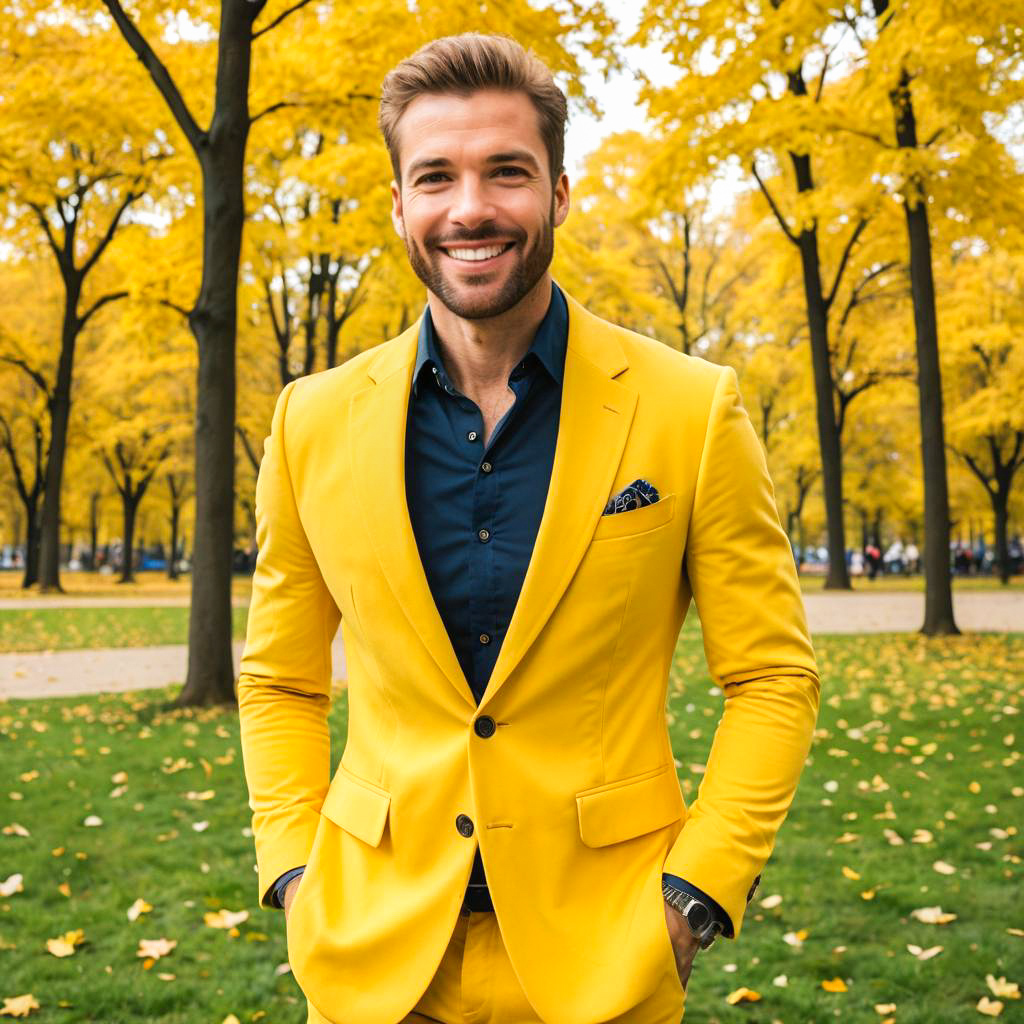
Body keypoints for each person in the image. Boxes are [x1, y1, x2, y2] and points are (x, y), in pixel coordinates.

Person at [237, 33, 820, 1024]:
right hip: (375, 951)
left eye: (506, 171)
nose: (470, 208)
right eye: (436, 177)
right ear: (398, 206)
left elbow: (772, 676)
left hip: (607, 948)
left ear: (556, 192)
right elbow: (280, 677)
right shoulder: (311, 418)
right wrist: (296, 870)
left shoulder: (690, 408)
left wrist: (697, 894)